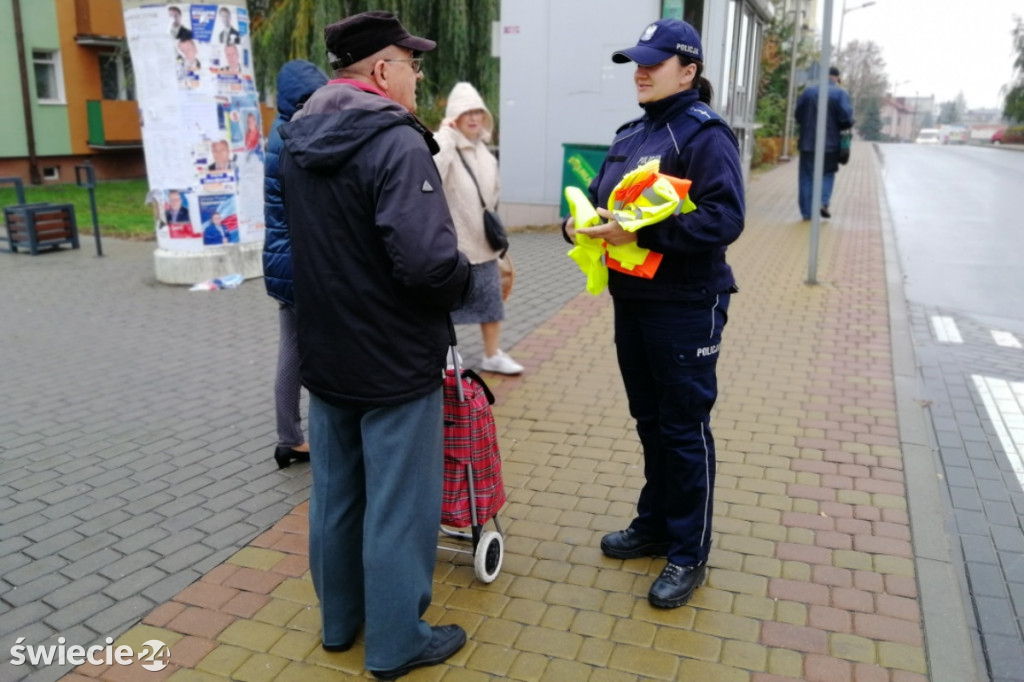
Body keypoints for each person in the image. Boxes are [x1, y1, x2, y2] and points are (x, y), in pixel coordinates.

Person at [277, 11, 470, 679]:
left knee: (335, 494)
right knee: (398, 504)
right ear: (382, 71)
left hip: (326, 350)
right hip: (392, 355)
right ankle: (394, 643)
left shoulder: (297, 137)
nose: (419, 75)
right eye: (411, 63)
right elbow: (424, 264)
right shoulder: (396, 142)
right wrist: (466, 277)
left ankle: (339, 624)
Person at [563, 18, 744, 609]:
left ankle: (689, 550)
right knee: (649, 418)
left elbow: (725, 218)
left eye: (654, 62)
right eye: (637, 62)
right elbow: (601, 202)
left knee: (683, 426)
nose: (640, 71)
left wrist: (646, 229)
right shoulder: (631, 133)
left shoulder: (704, 134)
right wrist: (578, 223)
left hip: (687, 303)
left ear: (688, 71)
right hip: (633, 300)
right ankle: (655, 523)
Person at [262, 59, 327, 470]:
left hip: (283, 257)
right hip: (299, 260)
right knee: (304, 353)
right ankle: (292, 438)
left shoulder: (279, 133)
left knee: (292, 348)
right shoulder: (297, 135)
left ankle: (290, 436)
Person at [433, 82, 523, 375]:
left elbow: (493, 192)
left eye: (478, 112)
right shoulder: (444, 143)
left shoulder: (484, 150)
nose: (473, 118)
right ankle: (448, 355)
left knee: (491, 302)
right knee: (448, 305)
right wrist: (445, 134)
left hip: (484, 244)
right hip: (453, 246)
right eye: (465, 112)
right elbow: (431, 171)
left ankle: (492, 354)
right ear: (454, 116)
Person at [795, 66, 854, 220]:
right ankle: (823, 202)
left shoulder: (808, 93)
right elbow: (847, 119)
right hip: (831, 145)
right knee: (827, 173)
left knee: (807, 177)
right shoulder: (840, 94)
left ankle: (807, 213)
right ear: (836, 77)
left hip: (808, 143)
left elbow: (798, 115)